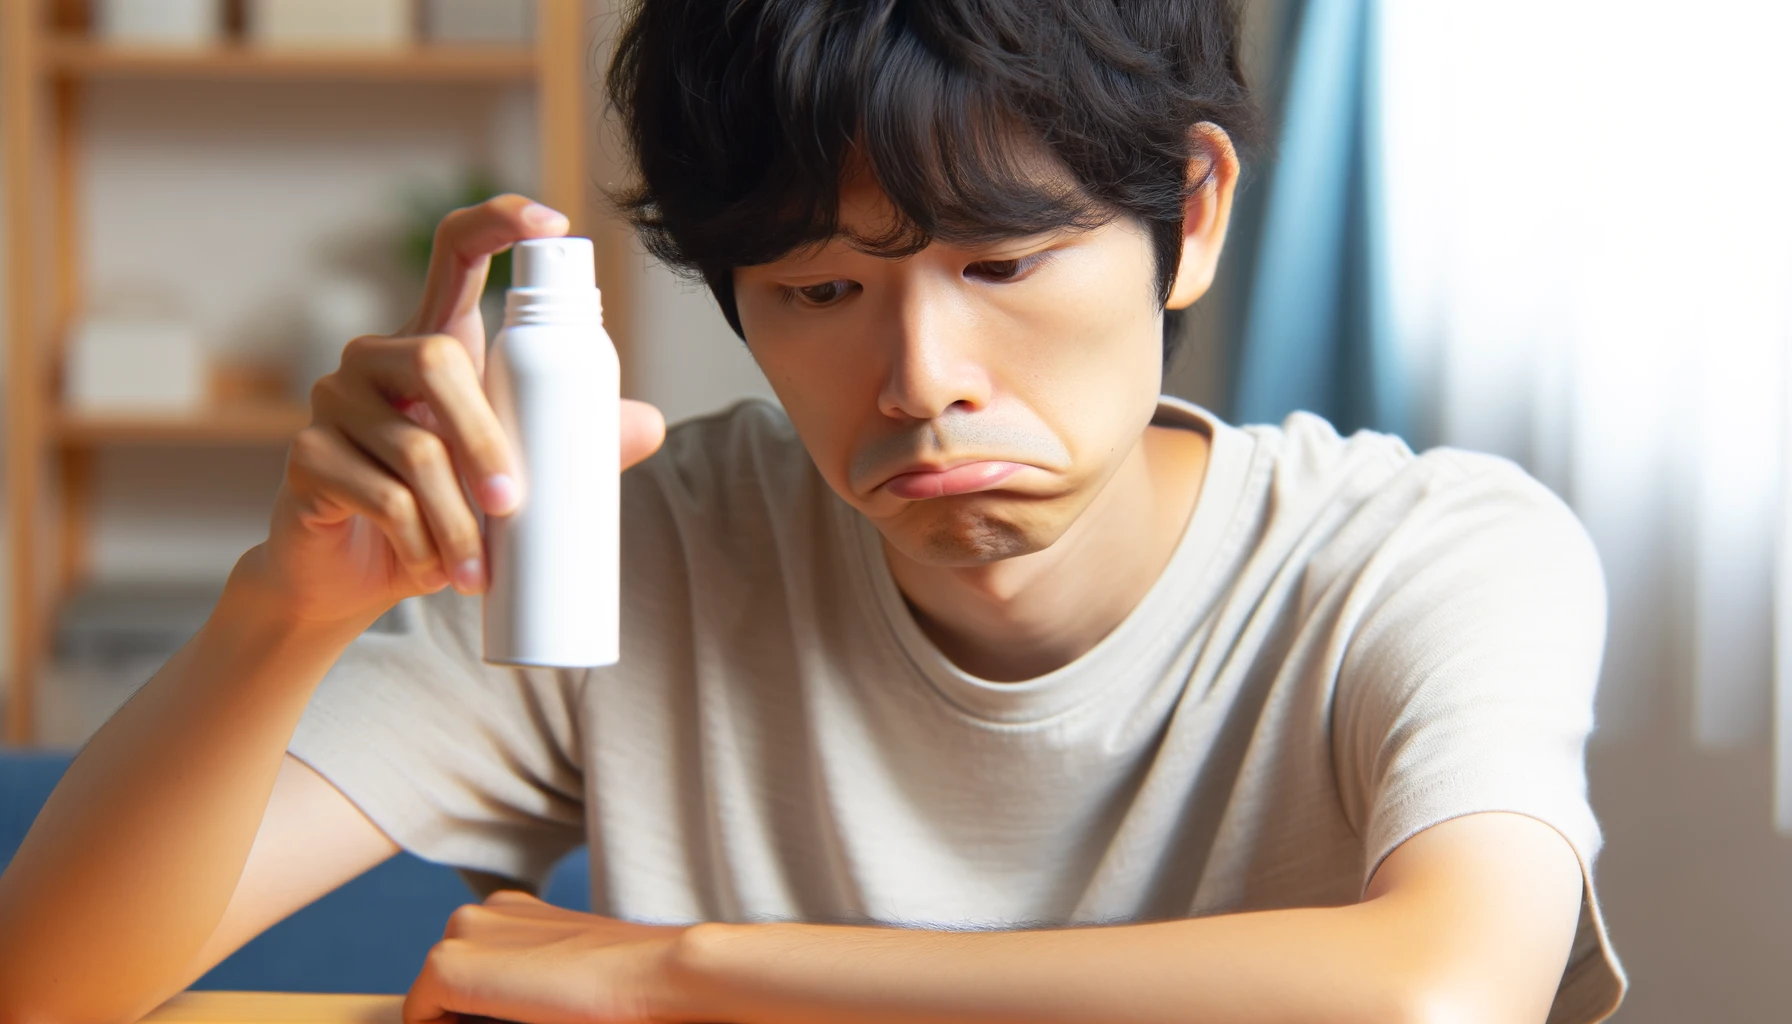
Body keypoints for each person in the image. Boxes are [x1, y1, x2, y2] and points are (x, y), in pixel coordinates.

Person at [0, 1, 1626, 1022]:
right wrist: (287, 610)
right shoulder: (646, 554)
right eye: (822, 287)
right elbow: (49, 987)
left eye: (1000, 264)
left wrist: (682, 972)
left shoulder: (1431, 555)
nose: (920, 376)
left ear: (1189, 215)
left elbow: (1441, 988)